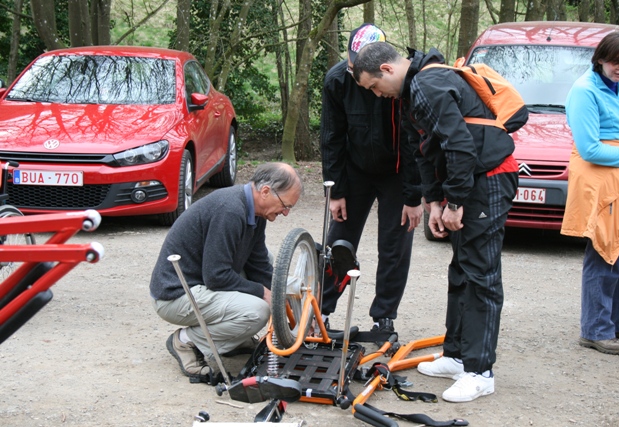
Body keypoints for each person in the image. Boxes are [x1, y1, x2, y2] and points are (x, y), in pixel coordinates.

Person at [352, 43, 520, 402]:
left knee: (480, 275)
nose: (376, 95)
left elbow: (460, 145)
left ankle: (480, 372)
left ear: (386, 68)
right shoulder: (413, 93)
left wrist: (455, 201)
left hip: (488, 179)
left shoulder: (428, 84)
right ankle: (457, 355)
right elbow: (424, 149)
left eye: (372, 86)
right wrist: (432, 201)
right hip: (468, 181)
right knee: (461, 269)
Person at [149, 162, 303, 382]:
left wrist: (285, 299)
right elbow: (216, 276)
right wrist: (264, 292)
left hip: (202, 281)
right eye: (285, 205)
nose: (286, 213)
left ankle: (235, 337)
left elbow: (259, 265)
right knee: (257, 311)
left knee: (270, 270)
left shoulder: (255, 212)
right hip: (175, 295)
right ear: (266, 191)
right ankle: (186, 341)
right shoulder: (230, 211)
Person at [319, 24, 423, 336]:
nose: (356, 74)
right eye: (352, 66)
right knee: (337, 243)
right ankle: (321, 312)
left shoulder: (404, 82)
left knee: (394, 246)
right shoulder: (337, 81)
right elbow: (332, 137)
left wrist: (413, 196)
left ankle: (383, 317)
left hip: (396, 171)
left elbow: (414, 142)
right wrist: (336, 190)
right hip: (356, 171)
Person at [561, 30, 619, 355]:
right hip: (600, 176)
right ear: (601, 58)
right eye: (615, 61)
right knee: (606, 250)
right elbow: (590, 149)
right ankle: (595, 329)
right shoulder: (583, 91)